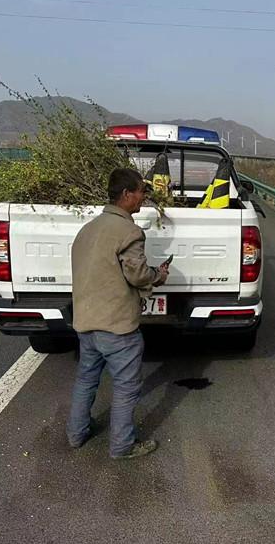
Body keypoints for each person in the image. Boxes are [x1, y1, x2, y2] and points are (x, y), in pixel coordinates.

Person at [66, 168, 170, 460]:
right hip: (117, 327)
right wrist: (158, 276)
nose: (144, 197)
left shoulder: (88, 229)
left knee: (86, 379)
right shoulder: (129, 231)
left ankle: (77, 434)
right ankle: (122, 446)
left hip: (86, 323)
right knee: (126, 387)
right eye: (140, 191)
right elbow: (137, 275)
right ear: (127, 195)